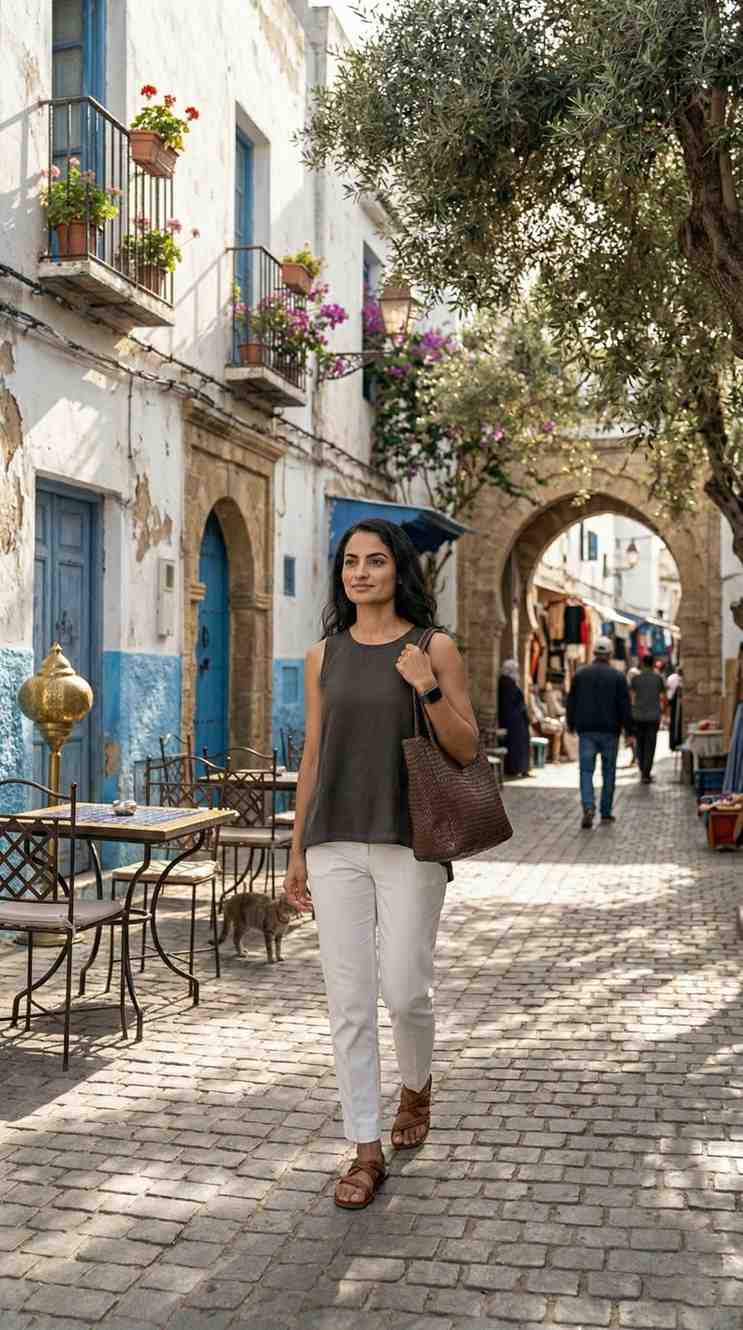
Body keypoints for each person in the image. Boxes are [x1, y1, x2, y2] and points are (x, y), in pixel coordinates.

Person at [284, 519, 479, 1212]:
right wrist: (296, 848)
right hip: (334, 840)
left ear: (398, 570)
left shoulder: (433, 647)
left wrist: (427, 687)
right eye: (350, 562)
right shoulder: (322, 655)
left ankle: (416, 1086)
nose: (360, 573)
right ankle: (364, 1149)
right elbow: (313, 754)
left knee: (404, 991)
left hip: (410, 839)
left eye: (374, 561)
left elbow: (465, 747)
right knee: (348, 1002)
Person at [566, 635, 634, 828]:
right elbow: (624, 706)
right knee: (608, 772)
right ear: (610, 654)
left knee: (586, 771)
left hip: (586, 731)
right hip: (610, 732)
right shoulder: (618, 677)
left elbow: (572, 701)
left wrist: (571, 724)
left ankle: (588, 806)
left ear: (594, 653)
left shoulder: (580, 675)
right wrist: (629, 731)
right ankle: (606, 811)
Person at [631, 654, 667, 782]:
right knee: (650, 745)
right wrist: (664, 712)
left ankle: (642, 770)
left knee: (640, 744)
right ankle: (646, 772)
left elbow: (631, 697)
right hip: (653, 716)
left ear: (642, 664)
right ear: (653, 665)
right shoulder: (658, 679)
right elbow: (663, 697)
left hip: (638, 716)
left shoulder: (636, 679)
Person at [498, 659, 531, 777]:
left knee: (519, 745)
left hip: (515, 720)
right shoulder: (507, 683)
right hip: (515, 721)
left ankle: (520, 768)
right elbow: (514, 701)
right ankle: (516, 768)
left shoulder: (507, 682)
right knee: (517, 745)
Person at [666, 666, 684, 751]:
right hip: (675, 701)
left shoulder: (671, 677)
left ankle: (674, 743)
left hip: (674, 701)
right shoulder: (675, 678)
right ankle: (675, 742)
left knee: (675, 723)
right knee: (675, 722)